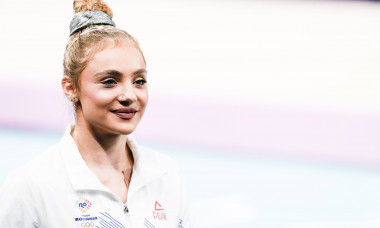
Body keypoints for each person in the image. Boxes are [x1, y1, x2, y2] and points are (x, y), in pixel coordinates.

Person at [0, 0, 193, 227]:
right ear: (71, 88)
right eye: (110, 82)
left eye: (139, 81)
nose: (129, 94)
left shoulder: (166, 175)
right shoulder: (30, 187)